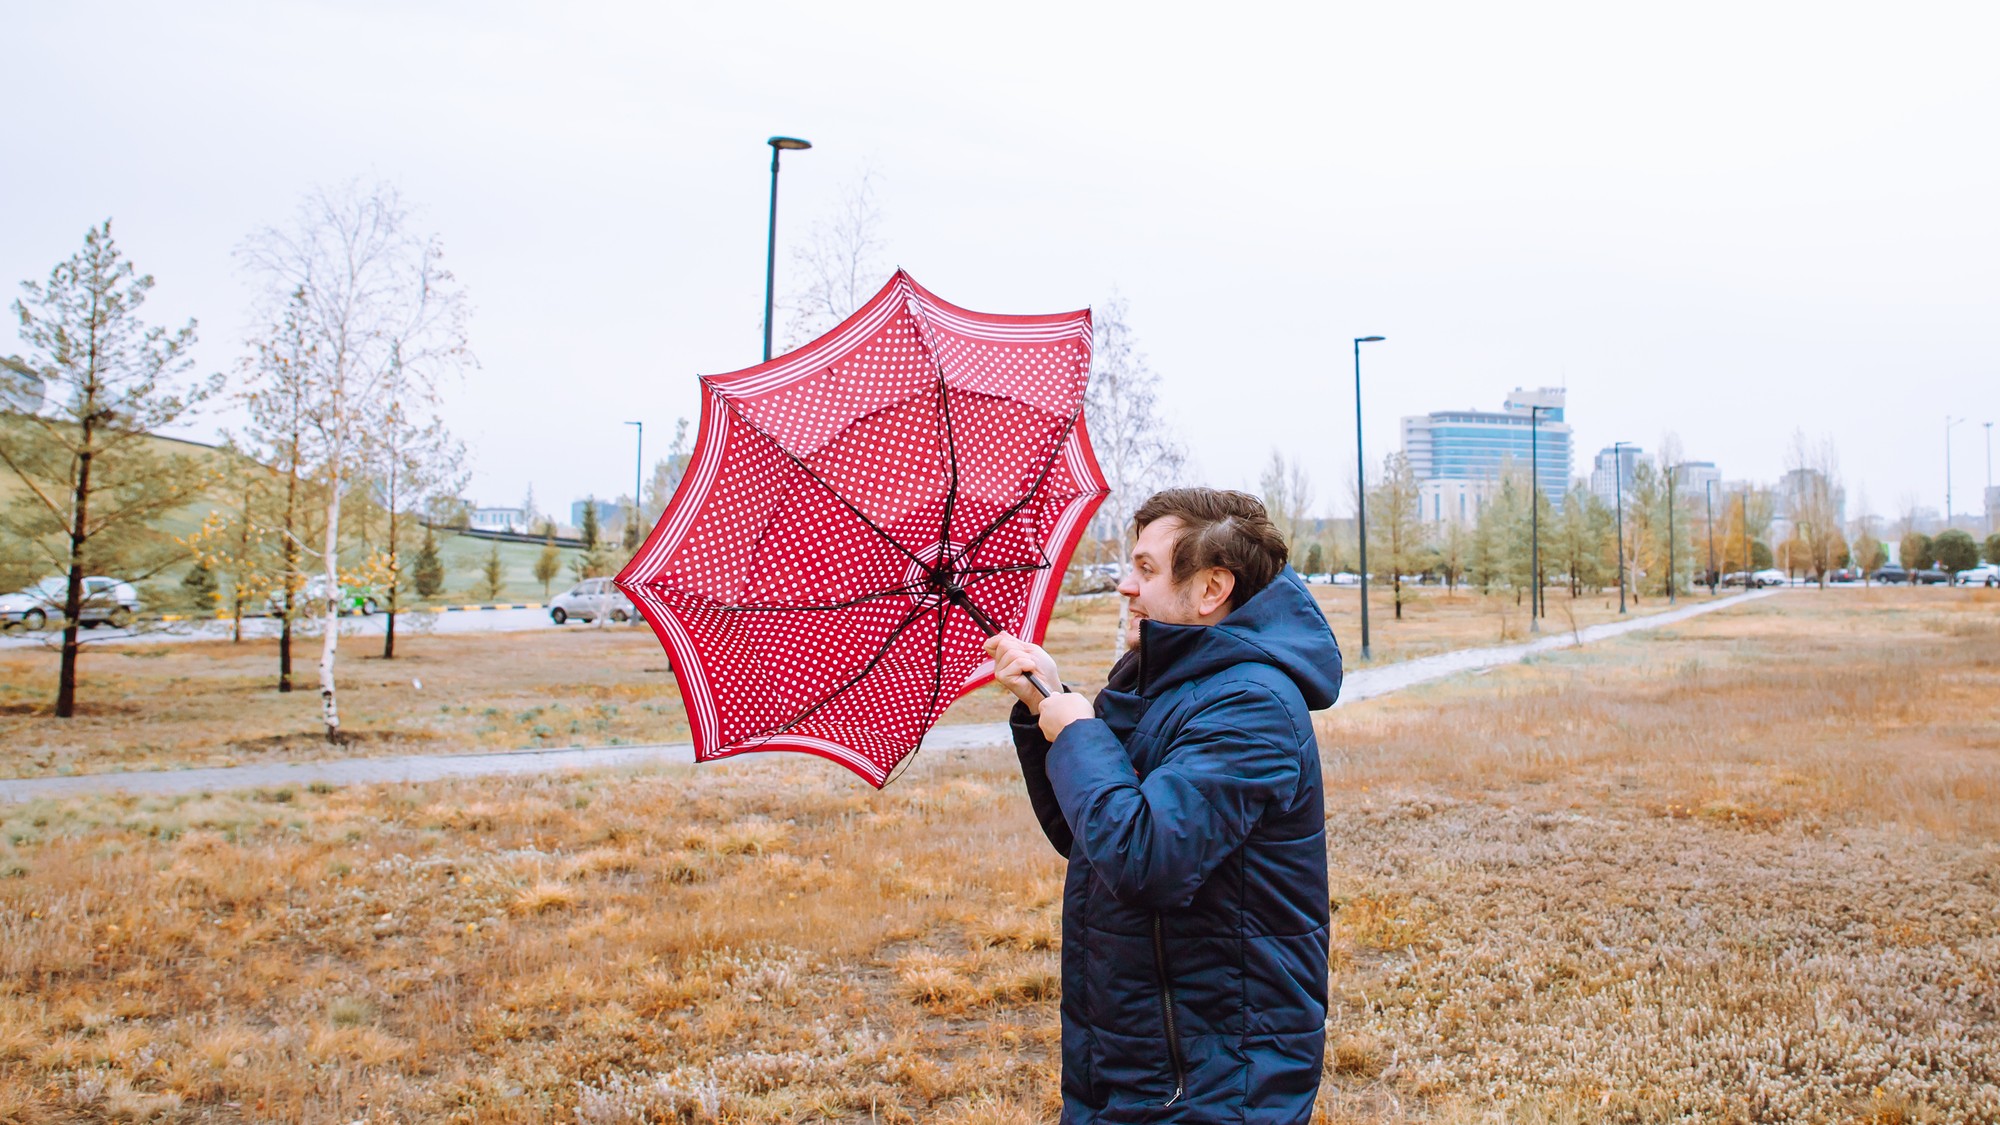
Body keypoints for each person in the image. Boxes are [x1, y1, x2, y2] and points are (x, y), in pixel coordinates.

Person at [984, 487, 1343, 1124]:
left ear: (1211, 589)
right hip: (1137, 1056)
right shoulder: (1157, 684)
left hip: (1214, 1079)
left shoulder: (1251, 706)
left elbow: (1145, 858)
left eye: (1146, 568)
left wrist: (1077, 733)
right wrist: (1047, 702)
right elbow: (1092, 832)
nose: (1125, 585)